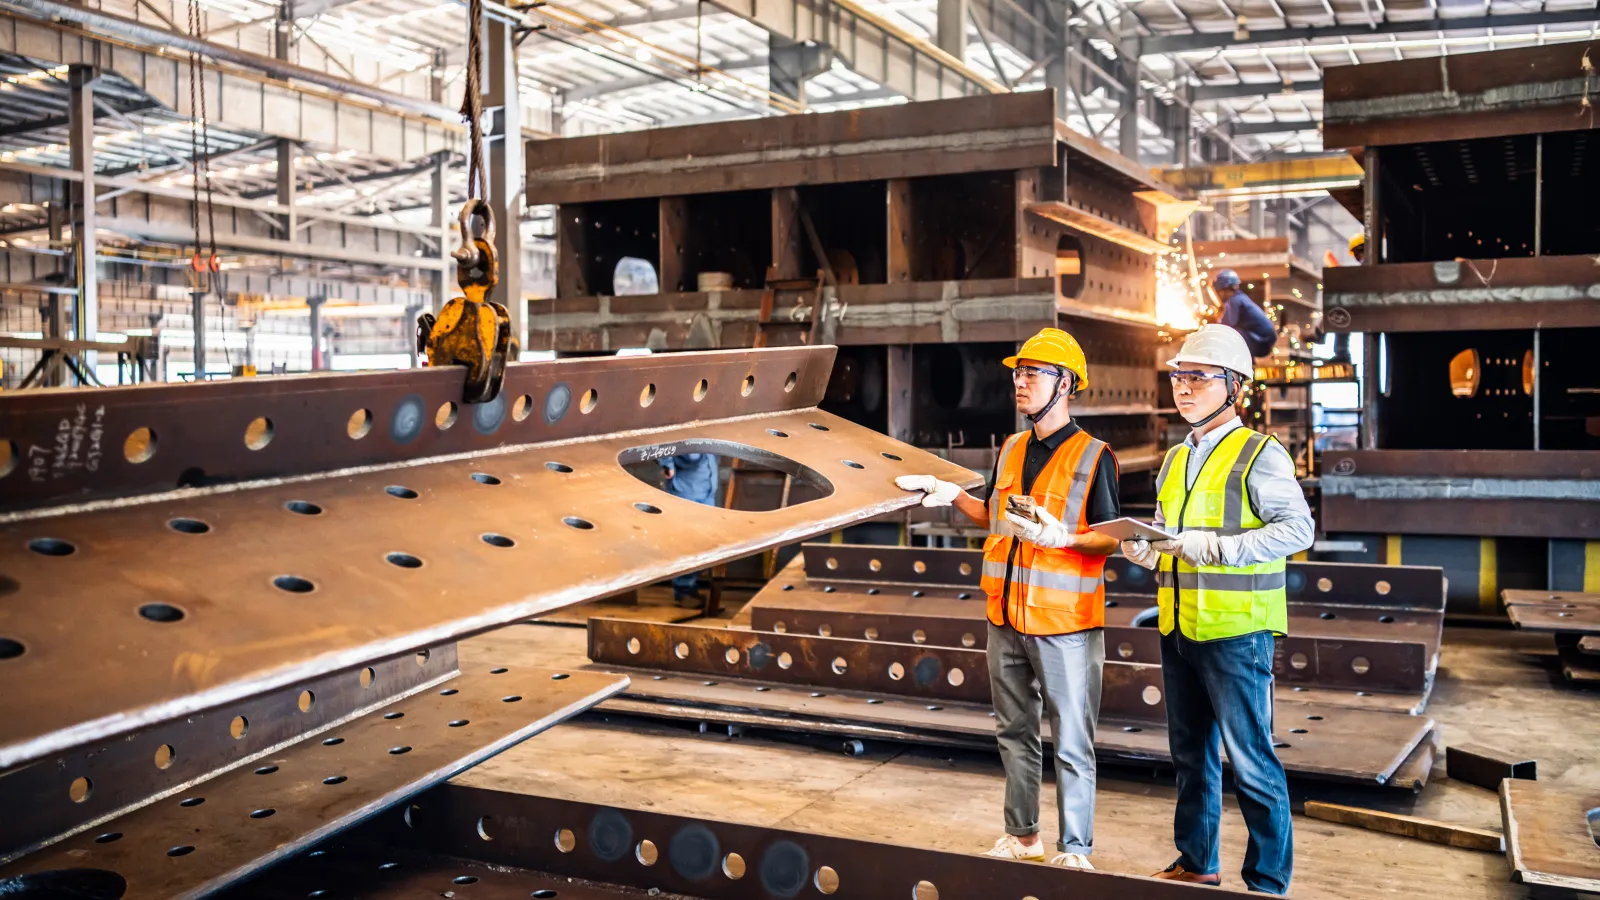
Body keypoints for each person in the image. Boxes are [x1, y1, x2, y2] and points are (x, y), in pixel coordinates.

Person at [894, 327, 1120, 871]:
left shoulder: (1094, 456)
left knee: (1071, 739)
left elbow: (1114, 536)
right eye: (1018, 373)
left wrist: (1063, 537)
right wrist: (952, 496)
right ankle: (1024, 836)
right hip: (1005, 616)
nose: (1019, 383)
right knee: (1014, 732)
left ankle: (1076, 849)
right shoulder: (1014, 447)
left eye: (1032, 374)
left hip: (1064, 623)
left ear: (1064, 383)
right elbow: (997, 515)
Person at [1120, 324, 1314, 894]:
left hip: (1237, 632)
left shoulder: (1259, 453)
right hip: (1180, 625)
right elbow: (1173, 538)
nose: (1183, 388)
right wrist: (1145, 547)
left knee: (1252, 761)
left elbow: (1297, 528)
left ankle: (1268, 882)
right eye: (1179, 377)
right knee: (1191, 756)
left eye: (1199, 378)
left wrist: (1219, 548)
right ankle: (1197, 861)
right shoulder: (1177, 458)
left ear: (1234, 387)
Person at [660, 452, 718, 605]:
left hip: (706, 487)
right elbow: (659, 441)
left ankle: (689, 586)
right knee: (687, 541)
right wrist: (667, 464)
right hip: (686, 489)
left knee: (704, 541)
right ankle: (683, 589)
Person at [1210, 269, 1277, 359]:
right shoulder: (1241, 298)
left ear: (1223, 289)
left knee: (1228, 336)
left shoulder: (1234, 301)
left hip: (1261, 341)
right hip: (1264, 340)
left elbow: (1226, 327)